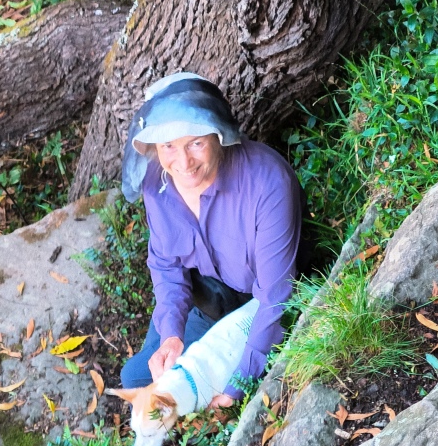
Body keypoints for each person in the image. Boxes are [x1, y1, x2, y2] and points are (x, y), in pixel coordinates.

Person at [119, 72, 304, 406]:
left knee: (199, 389)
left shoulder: (267, 182)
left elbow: (276, 296)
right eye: (168, 146)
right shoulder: (156, 185)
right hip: (208, 297)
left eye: (196, 142)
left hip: (258, 305)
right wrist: (171, 333)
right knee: (137, 378)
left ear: (218, 136)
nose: (183, 162)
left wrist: (240, 382)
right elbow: (165, 264)